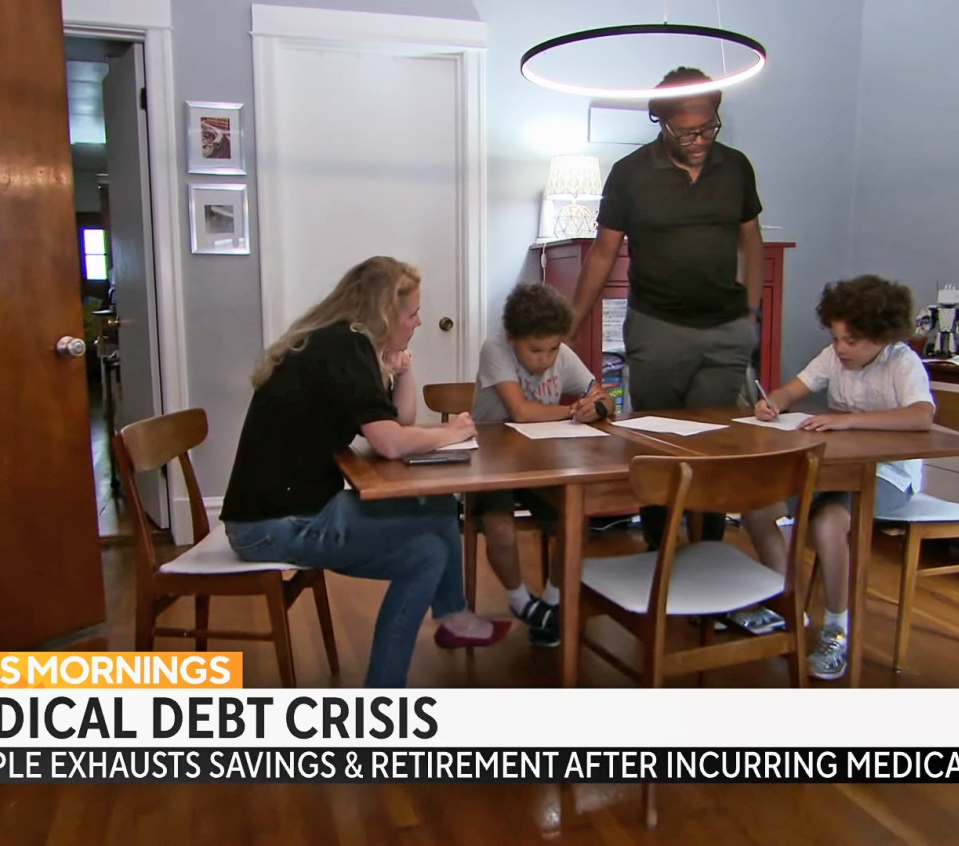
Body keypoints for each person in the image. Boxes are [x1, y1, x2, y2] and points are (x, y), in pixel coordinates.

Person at [220, 256, 510, 688]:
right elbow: (390, 442)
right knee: (426, 554)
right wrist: (450, 433)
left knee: (436, 503)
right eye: (411, 313)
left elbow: (400, 420)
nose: (419, 321)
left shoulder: (339, 341)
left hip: (290, 506)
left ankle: (452, 615)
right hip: (275, 523)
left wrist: (402, 367)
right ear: (384, 312)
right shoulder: (344, 346)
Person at [569, 66, 764, 549]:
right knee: (655, 444)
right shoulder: (631, 174)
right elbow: (603, 253)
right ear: (660, 121)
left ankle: (708, 555)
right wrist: (571, 324)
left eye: (708, 127)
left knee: (714, 449)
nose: (699, 139)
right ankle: (659, 552)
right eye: (687, 131)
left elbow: (752, 241)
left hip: (725, 331)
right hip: (658, 330)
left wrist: (750, 314)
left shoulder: (736, 166)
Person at [737, 275, 935, 680]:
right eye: (837, 337)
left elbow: (921, 415)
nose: (841, 348)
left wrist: (847, 422)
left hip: (889, 476)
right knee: (756, 503)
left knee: (829, 523)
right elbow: (792, 390)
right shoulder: (834, 356)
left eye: (851, 341)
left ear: (880, 336)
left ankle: (836, 627)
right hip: (834, 471)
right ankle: (781, 601)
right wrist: (770, 402)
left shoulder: (902, 362)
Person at [471, 284, 613, 646]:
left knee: (573, 519)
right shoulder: (495, 349)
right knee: (500, 529)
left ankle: (550, 604)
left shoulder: (560, 353)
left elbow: (604, 397)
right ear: (512, 338)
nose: (546, 359)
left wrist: (597, 407)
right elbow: (521, 412)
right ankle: (520, 601)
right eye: (535, 350)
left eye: (553, 348)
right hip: (493, 463)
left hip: (543, 464)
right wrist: (572, 411)